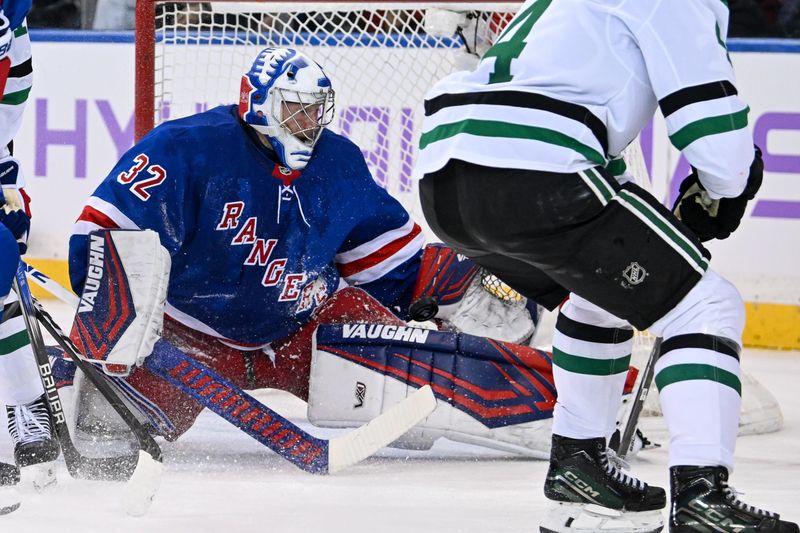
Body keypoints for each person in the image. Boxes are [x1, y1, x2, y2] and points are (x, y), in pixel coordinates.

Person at [64, 47, 575, 459]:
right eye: (294, 107)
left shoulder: (338, 163)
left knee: (418, 401)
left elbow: (398, 266)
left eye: (315, 109)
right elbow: (104, 238)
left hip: (307, 324)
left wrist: (463, 295)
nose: (308, 121)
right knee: (100, 437)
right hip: (185, 336)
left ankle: (574, 395)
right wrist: (121, 331)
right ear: (258, 102)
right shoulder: (185, 149)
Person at [414, 1, 797, 532]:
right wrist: (726, 187)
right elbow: (711, 127)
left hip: (443, 182)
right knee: (708, 305)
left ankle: (579, 464)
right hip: (534, 171)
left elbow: (566, 99)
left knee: (597, 296)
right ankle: (702, 498)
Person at [0, 0, 59, 494]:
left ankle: (26, 403)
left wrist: (4, 186)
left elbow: (2, 128)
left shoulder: (12, 34)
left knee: (2, 253)